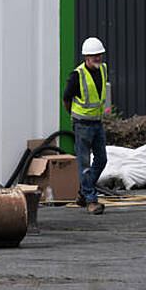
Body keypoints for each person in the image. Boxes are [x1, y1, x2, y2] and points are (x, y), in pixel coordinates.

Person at [62, 37, 109, 215]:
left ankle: (83, 192)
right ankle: (91, 200)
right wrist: (74, 116)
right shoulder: (77, 75)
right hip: (82, 125)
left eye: (99, 55)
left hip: (97, 124)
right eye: (94, 56)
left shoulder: (102, 70)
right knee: (85, 165)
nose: (98, 58)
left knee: (102, 160)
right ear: (86, 57)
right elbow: (66, 100)